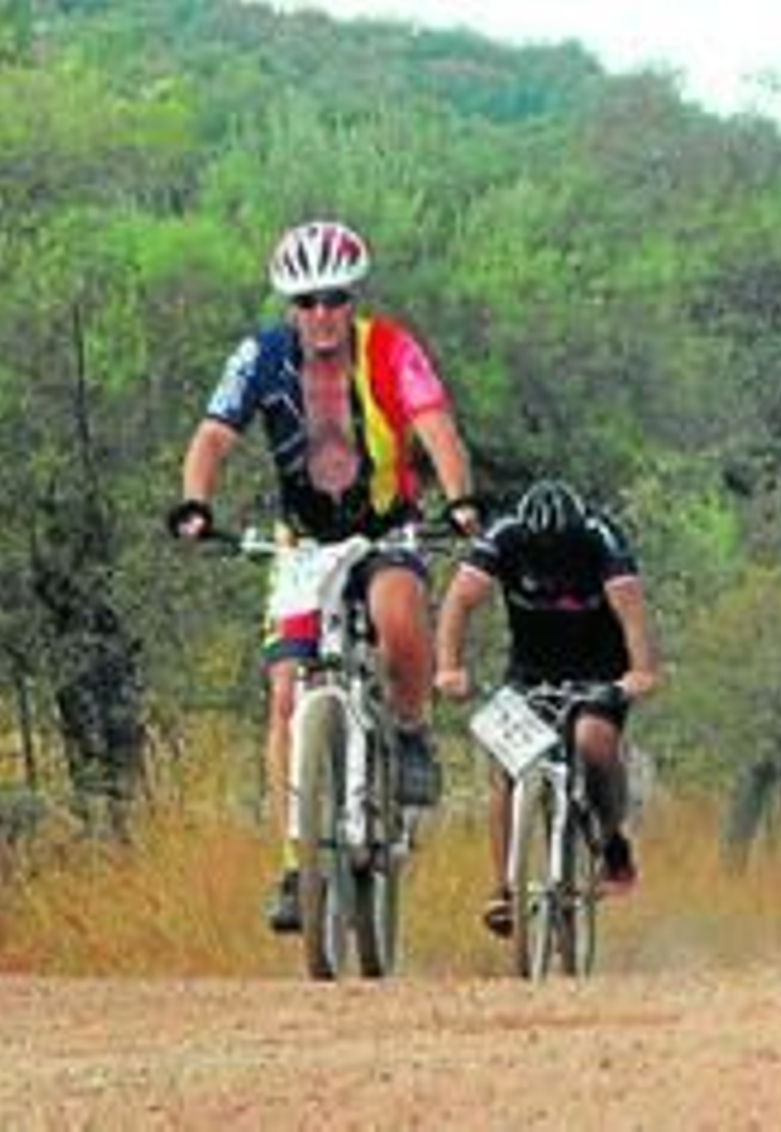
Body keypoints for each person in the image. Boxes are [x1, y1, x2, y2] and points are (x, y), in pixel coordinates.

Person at [166, 219, 480, 932]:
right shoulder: (261, 355)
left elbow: (435, 424)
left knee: (399, 617)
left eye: (335, 298)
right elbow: (213, 434)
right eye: (306, 302)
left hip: (384, 527)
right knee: (285, 694)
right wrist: (195, 501)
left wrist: (459, 499)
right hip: (304, 541)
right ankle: (294, 863)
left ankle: (410, 732)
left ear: (352, 299)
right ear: (290, 307)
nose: (322, 315)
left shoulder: (391, 348)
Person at [434, 479, 660, 938]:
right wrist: (449, 667)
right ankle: (503, 888)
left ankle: (612, 841)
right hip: (531, 670)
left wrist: (640, 672)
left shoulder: (601, 537)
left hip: (599, 668)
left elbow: (631, 611)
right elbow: (459, 601)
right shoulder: (504, 536)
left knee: (592, 741)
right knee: (505, 764)